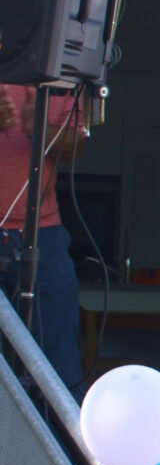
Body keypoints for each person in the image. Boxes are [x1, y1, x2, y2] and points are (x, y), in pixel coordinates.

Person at [0, 83, 87, 392]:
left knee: (58, 365)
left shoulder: (62, 73)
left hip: (43, 234)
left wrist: (37, 128)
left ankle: (60, 441)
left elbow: (75, 145)